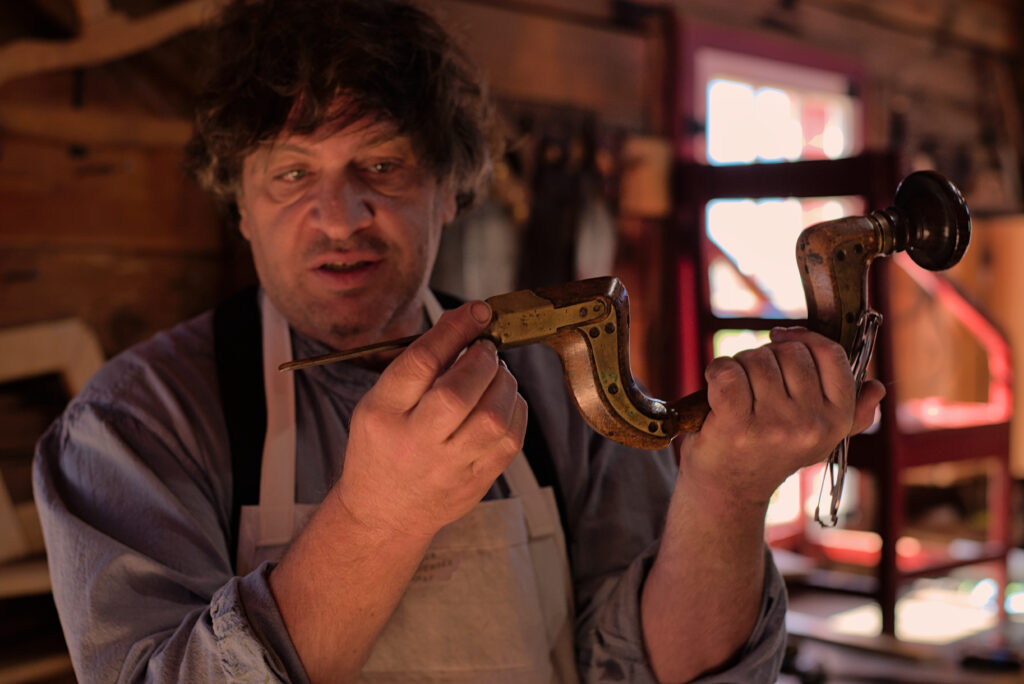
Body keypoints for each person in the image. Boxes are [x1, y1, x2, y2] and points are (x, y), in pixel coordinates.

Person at [33, 1, 886, 682]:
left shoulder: (556, 383)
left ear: (451, 189)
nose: (341, 215)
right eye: (292, 174)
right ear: (242, 205)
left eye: (384, 165)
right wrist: (377, 517)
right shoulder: (135, 426)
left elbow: (651, 669)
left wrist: (729, 496)